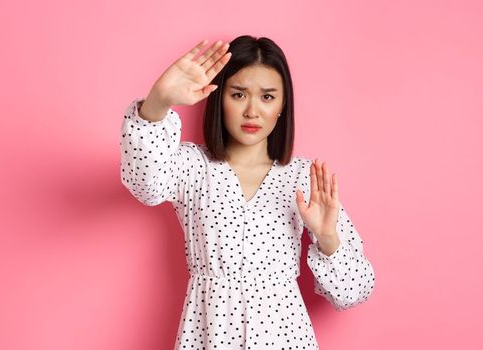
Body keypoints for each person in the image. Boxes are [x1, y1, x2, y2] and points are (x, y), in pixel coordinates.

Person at [119, 35, 375, 349]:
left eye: (267, 97)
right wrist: (159, 101)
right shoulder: (192, 166)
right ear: (219, 98)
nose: (252, 111)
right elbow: (145, 186)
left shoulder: (304, 178)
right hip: (209, 335)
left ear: (283, 105)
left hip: (285, 338)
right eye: (238, 94)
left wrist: (327, 238)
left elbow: (354, 292)